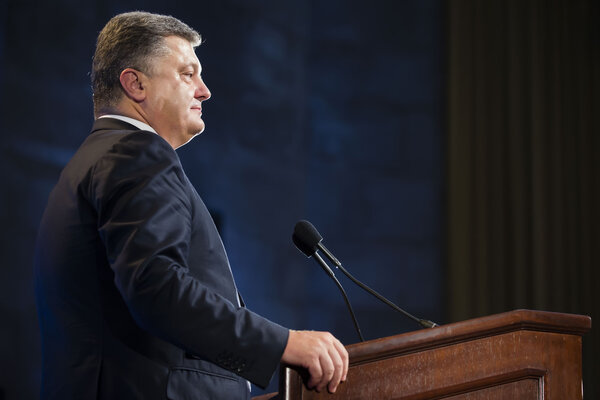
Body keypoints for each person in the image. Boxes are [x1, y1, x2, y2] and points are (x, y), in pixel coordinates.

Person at [34, 11, 348, 400]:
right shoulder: (136, 152)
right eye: (187, 73)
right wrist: (283, 343)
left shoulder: (87, 165)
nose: (204, 90)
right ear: (136, 84)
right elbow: (156, 286)